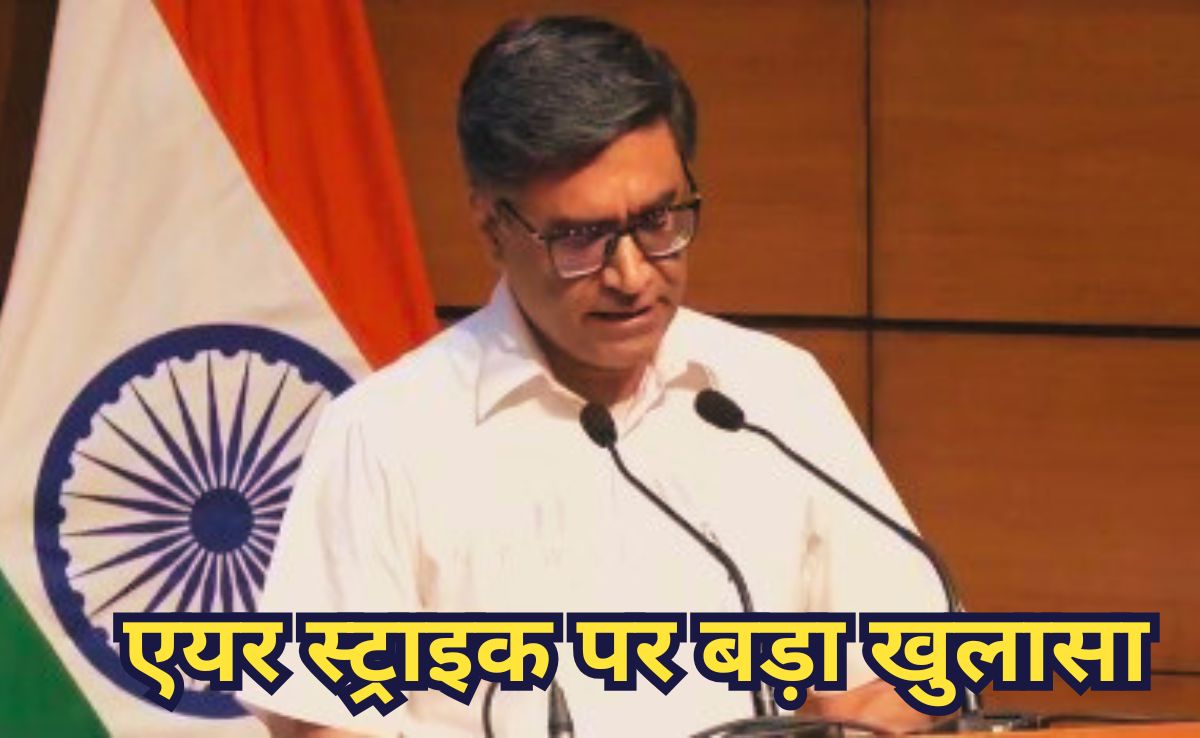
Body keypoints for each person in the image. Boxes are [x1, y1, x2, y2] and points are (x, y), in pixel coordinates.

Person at [243, 15, 942, 737]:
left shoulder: (771, 395)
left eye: (658, 220)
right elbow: (322, 723)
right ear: (491, 227)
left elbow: (905, 668)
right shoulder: (387, 434)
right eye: (581, 238)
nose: (632, 275)